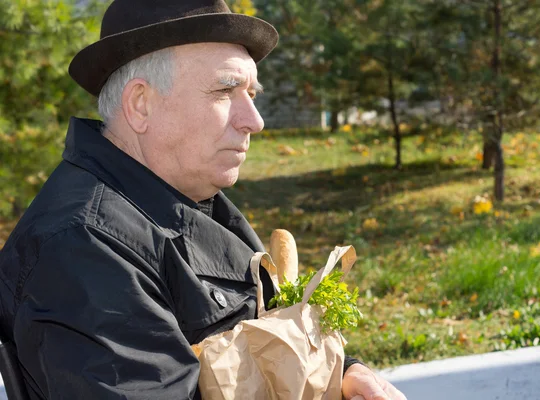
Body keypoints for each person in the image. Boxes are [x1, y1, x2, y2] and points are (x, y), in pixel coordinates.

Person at [0, 0, 407, 399]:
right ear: (141, 105)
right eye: (226, 89)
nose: (255, 121)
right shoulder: (83, 249)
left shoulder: (186, 198)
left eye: (252, 92)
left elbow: (255, 340)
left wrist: (346, 373)